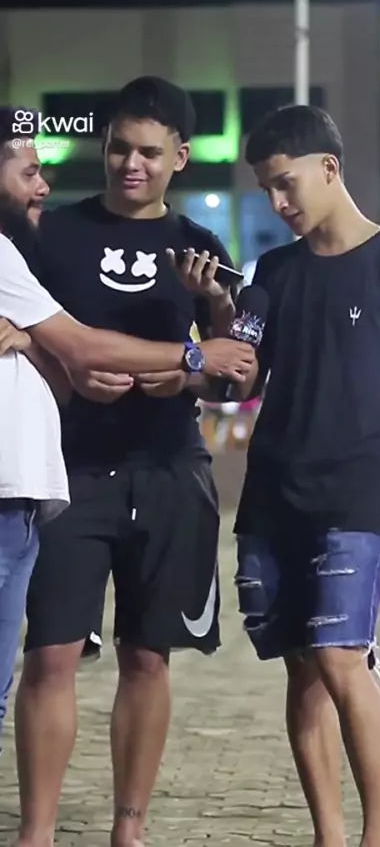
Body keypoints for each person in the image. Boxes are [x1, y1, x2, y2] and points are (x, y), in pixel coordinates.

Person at [13, 77, 244, 847]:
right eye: (118, 148)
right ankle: (37, 833)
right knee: (50, 657)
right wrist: (63, 367)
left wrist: (199, 348)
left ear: (181, 156)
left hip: (169, 469)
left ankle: (129, 829)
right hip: (67, 475)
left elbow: (235, 374)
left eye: (148, 152)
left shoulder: (203, 249)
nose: (130, 164)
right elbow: (22, 329)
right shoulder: (51, 233)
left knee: (148, 658)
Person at [227, 105, 380, 847]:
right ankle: (328, 835)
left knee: (339, 657)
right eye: (266, 189)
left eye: (285, 183)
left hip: (353, 501)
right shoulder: (274, 272)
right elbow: (243, 377)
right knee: (302, 667)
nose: (277, 203)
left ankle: (378, 836)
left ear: (328, 168)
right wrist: (211, 313)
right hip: (272, 496)